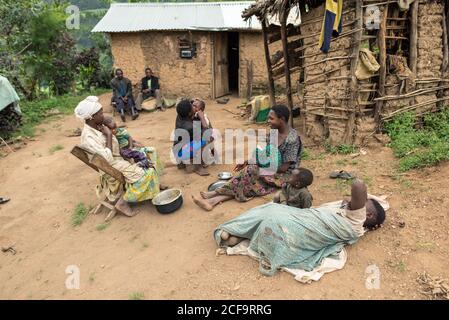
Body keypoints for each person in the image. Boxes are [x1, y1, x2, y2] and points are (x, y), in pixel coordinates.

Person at [214, 179, 387, 276]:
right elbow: (346, 200)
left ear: (367, 214)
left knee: (274, 213)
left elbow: (358, 186)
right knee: (273, 209)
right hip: (305, 218)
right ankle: (239, 236)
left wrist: (363, 199)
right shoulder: (349, 215)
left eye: (364, 204)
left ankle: (237, 232)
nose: (353, 201)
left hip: (302, 228)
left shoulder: (356, 223)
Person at [192, 105, 302, 211]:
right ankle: (214, 199)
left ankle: (215, 196)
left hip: (284, 176)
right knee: (249, 173)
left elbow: (283, 168)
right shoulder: (274, 133)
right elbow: (266, 153)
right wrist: (248, 161)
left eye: (271, 118)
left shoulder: (292, 139)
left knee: (250, 177)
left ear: (281, 119)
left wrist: (258, 164)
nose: (268, 121)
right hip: (271, 167)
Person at [75, 96, 163, 217]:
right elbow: (107, 159)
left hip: (120, 155)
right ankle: (123, 202)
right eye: (100, 113)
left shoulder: (97, 125)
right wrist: (109, 136)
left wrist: (129, 149)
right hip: (112, 164)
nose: (103, 115)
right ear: (91, 117)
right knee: (147, 173)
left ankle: (156, 183)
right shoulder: (89, 138)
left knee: (150, 151)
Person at [173, 99, 210, 176]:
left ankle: (182, 163)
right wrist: (202, 118)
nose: (194, 107)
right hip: (181, 152)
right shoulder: (189, 126)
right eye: (192, 106)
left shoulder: (180, 115)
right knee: (205, 140)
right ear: (189, 112)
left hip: (178, 148)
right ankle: (198, 166)